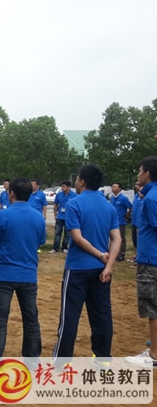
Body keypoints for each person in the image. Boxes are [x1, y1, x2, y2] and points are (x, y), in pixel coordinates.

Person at [52, 165, 120, 367]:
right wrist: (108, 266)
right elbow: (117, 238)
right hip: (101, 269)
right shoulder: (108, 206)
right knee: (102, 314)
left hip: (78, 268)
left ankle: (62, 361)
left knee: (70, 315)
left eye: (77, 178)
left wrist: (100, 255)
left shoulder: (75, 203)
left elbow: (77, 238)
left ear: (82, 181)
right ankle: (103, 358)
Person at [0, 178, 46, 368]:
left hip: (4, 274)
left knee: (0, 319)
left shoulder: (3, 215)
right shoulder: (38, 217)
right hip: (28, 275)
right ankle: (32, 358)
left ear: (12, 194)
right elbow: (39, 242)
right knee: (31, 318)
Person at [125, 156, 157, 367]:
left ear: (147, 173)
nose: (138, 175)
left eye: (140, 171)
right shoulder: (148, 195)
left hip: (151, 260)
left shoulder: (152, 198)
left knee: (152, 307)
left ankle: (154, 355)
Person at [50, 181, 77, 254]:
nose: (62, 188)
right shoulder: (59, 195)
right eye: (62, 186)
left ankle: (64, 248)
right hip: (60, 217)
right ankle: (55, 248)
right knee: (57, 233)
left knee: (67, 234)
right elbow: (55, 205)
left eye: (64, 186)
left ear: (68, 187)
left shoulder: (74, 195)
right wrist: (55, 215)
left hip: (69, 218)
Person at [110, 182, 133, 261]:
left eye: (115, 186)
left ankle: (121, 253)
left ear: (119, 188)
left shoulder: (123, 198)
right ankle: (114, 252)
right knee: (112, 237)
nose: (113, 188)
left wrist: (127, 216)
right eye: (112, 186)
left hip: (120, 221)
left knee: (121, 237)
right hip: (112, 221)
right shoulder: (112, 197)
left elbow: (130, 207)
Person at [130, 180, 143, 265]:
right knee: (135, 241)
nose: (137, 186)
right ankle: (136, 255)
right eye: (136, 185)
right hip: (134, 222)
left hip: (140, 223)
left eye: (139, 185)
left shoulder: (144, 197)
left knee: (140, 241)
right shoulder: (136, 195)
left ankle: (139, 258)